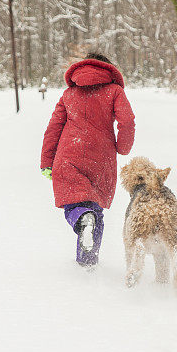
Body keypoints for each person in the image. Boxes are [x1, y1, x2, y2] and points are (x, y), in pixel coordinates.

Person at [40, 53, 135, 268]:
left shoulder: (69, 94)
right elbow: (127, 121)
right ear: (108, 70)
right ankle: (87, 263)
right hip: (101, 159)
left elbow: (53, 128)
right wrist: (123, 147)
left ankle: (83, 221)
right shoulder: (114, 91)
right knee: (94, 209)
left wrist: (47, 160)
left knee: (75, 205)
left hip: (68, 154)